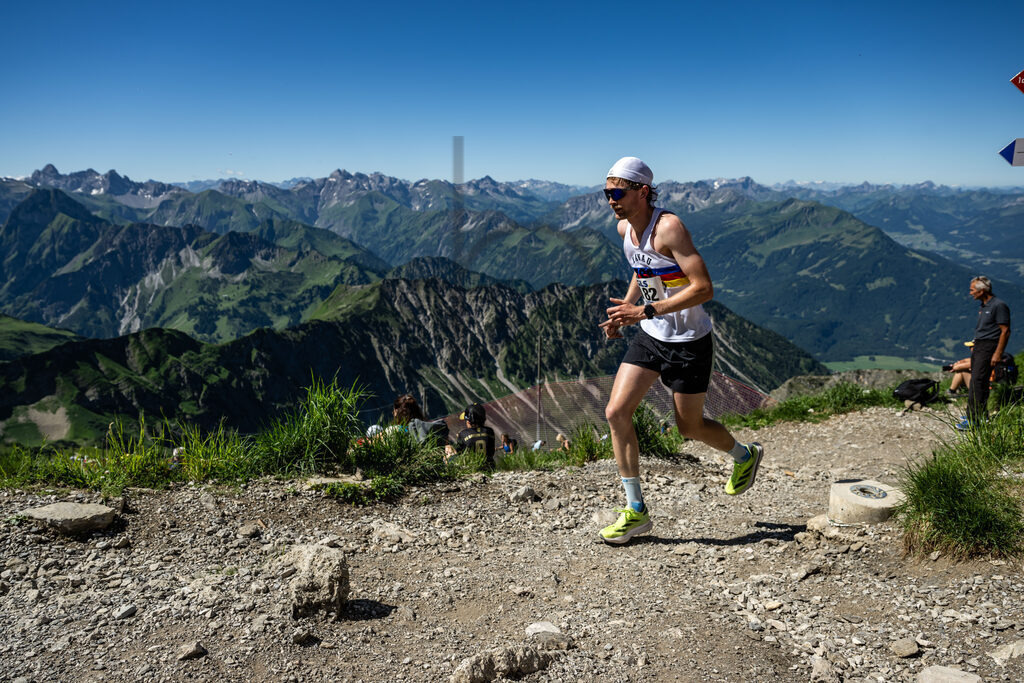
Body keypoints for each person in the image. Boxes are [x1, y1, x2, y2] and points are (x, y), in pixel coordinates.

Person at [597, 156, 765, 545]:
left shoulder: (668, 227)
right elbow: (644, 272)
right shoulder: (625, 228)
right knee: (616, 412)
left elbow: (703, 287)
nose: (611, 200)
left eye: (618, 192)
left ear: (642, 191)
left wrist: (646, 310)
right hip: (651, 337)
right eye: (606, 193)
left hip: (689, 343)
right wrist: (627, 312)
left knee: (689, 428)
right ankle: (635, 510)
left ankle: (744, 456)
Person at [961, 276, 1011, 429]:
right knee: (979, 381)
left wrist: (997, 354)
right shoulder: (984, 306)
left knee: (977, 381)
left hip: (989, 347)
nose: (970, 293)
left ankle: (973, 419)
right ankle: (980, 416)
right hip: (980, 346)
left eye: (972, 290)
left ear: (981, 290)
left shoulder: (998, 305)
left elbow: (1005, 331)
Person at [445, 402, 496, 466]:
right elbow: (492, 452)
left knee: (449, 454)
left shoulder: (463, 434)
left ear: (468, 421)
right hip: (490, 466)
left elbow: (459, 452)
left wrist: (460, 438)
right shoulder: (490, 431)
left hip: (471, 466)